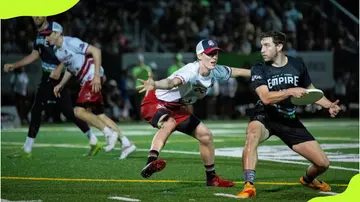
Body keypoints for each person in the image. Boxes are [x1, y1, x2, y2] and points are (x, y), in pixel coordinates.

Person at [236, 31, 341, 198]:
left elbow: (310, 90)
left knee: (323, 164)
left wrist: (328, 105)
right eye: (261, 45)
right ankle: (249, 185)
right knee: (252, 134)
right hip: (266, 115)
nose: (262, 49)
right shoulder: (259, 68)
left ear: (279, 46)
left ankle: (307, 179)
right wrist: (290, 91)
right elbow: (265, 97)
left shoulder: (297, 64)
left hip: (289, 119)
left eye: (267, 45)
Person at [136, 39, 251, 187]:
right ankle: (151, 161)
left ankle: (212, 178)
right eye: (210, 54)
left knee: (206, 136)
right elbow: (171, 83)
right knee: (169, 122)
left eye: (216, 53)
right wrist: (155, 84)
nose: (214, 57)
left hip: (176, 107)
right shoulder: (191, 71)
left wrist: (259, 73)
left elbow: (236, 71)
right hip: (156, 101)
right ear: (200, 55)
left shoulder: (215, 70)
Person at [3, 17, 99, 158]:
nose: (36, 17)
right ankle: (93, 139)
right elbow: (34, 55)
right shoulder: (38, 36)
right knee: (51, 109)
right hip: (47, 77)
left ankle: (27, 149)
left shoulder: (55, 29)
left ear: (45, 15)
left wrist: (60, 68)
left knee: (53, 110)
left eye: (39, 14)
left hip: (58, 77)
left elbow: (66, 49)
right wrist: (15, 65)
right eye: (34, 15)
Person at [46, 23, 137, 159]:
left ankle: (108, 133)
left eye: (49, 34)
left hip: (91, 76)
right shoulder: (57, 51)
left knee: (78, 111)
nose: (47, 38)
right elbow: (71, 68)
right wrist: (61, 84)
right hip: (87, 79)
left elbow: (96, 51)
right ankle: (126, 143)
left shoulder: (71, 42)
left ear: (58, 33)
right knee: (100, 115)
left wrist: (96, 76)